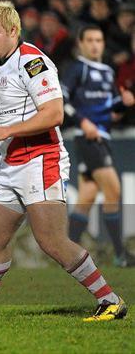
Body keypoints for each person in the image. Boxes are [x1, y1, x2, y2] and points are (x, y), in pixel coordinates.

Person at [0, 1, 126, 322]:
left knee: (51, 241)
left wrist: (3, 130)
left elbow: (54, 114)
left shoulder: (33, 62)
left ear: (13, 30)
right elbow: (3, 106)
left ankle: (110, 299)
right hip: (9, 161)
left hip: (41, 159)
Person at [63, 24, 135, 267]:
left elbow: (111, 109)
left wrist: (124, 103)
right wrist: (83, 123)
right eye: (90, 40)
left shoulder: (106, 72)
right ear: (81, 44)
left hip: (103, 136)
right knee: (113, 190)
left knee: (87, 195)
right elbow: (62, 101)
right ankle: (120, 255)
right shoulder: (77, 69)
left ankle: (66, 253)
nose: (95, 44)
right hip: (89, 138)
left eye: (99, 40)